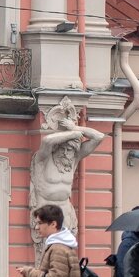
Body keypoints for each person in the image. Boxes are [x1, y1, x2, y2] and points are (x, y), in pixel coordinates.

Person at [29, 98, 104, 258]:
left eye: (70, 150)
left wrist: (76, 127)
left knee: (65, 256)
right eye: (63, 150)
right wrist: (74, 133)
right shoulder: (43, 160)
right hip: (46, 212)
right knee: (47, 257)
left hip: (65, 212)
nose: (66, 154)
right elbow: (47, 141)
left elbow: (99, 137)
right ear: (56, 149)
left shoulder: (73, 161)